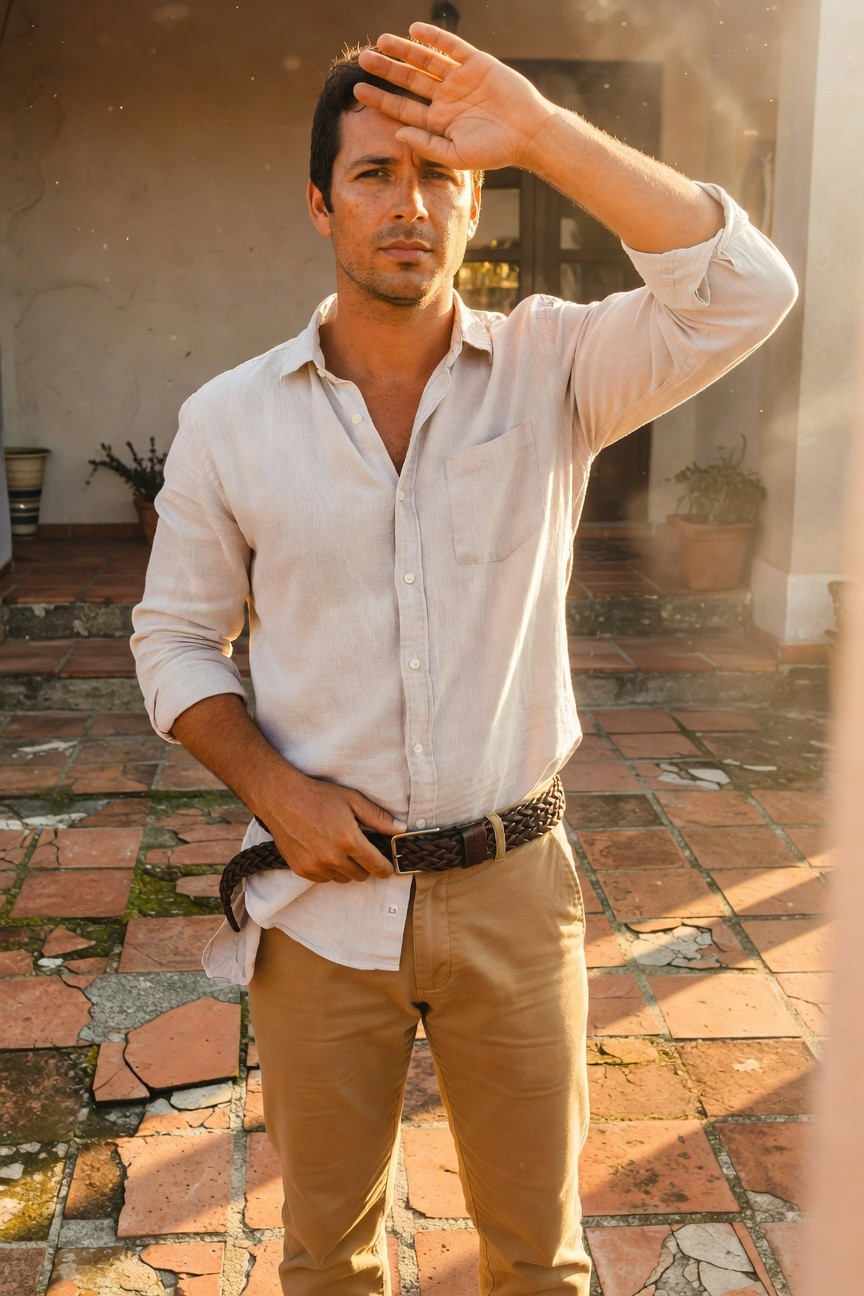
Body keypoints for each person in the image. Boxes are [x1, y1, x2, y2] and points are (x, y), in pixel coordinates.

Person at [131, 21, 797, 1295]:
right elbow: (172, 638)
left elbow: (746, 288)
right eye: (377, 172)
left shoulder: (554, 369)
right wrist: (276, 792)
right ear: (320, 202)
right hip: (324, 908)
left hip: (514, 888)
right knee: (327, 1255)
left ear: (479, 199)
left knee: (541, 1262)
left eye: (441, 173)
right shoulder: (228, 420)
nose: (411, 204)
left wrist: (542, 129)